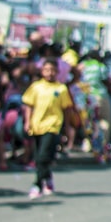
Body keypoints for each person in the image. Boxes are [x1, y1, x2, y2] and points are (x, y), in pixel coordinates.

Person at [21, 58, 77, 200]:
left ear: (57, 72)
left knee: (43, 156)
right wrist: (27, 121)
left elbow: (66, 109)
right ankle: (48, 177)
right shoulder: (36, 87)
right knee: (40, 154)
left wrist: (66, 127)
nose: (50, 73)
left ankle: (37, 184)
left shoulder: (61, 89)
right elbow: (28, 105)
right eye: (46, 70)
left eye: (52, 70)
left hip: (53, 125)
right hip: (37, 124)